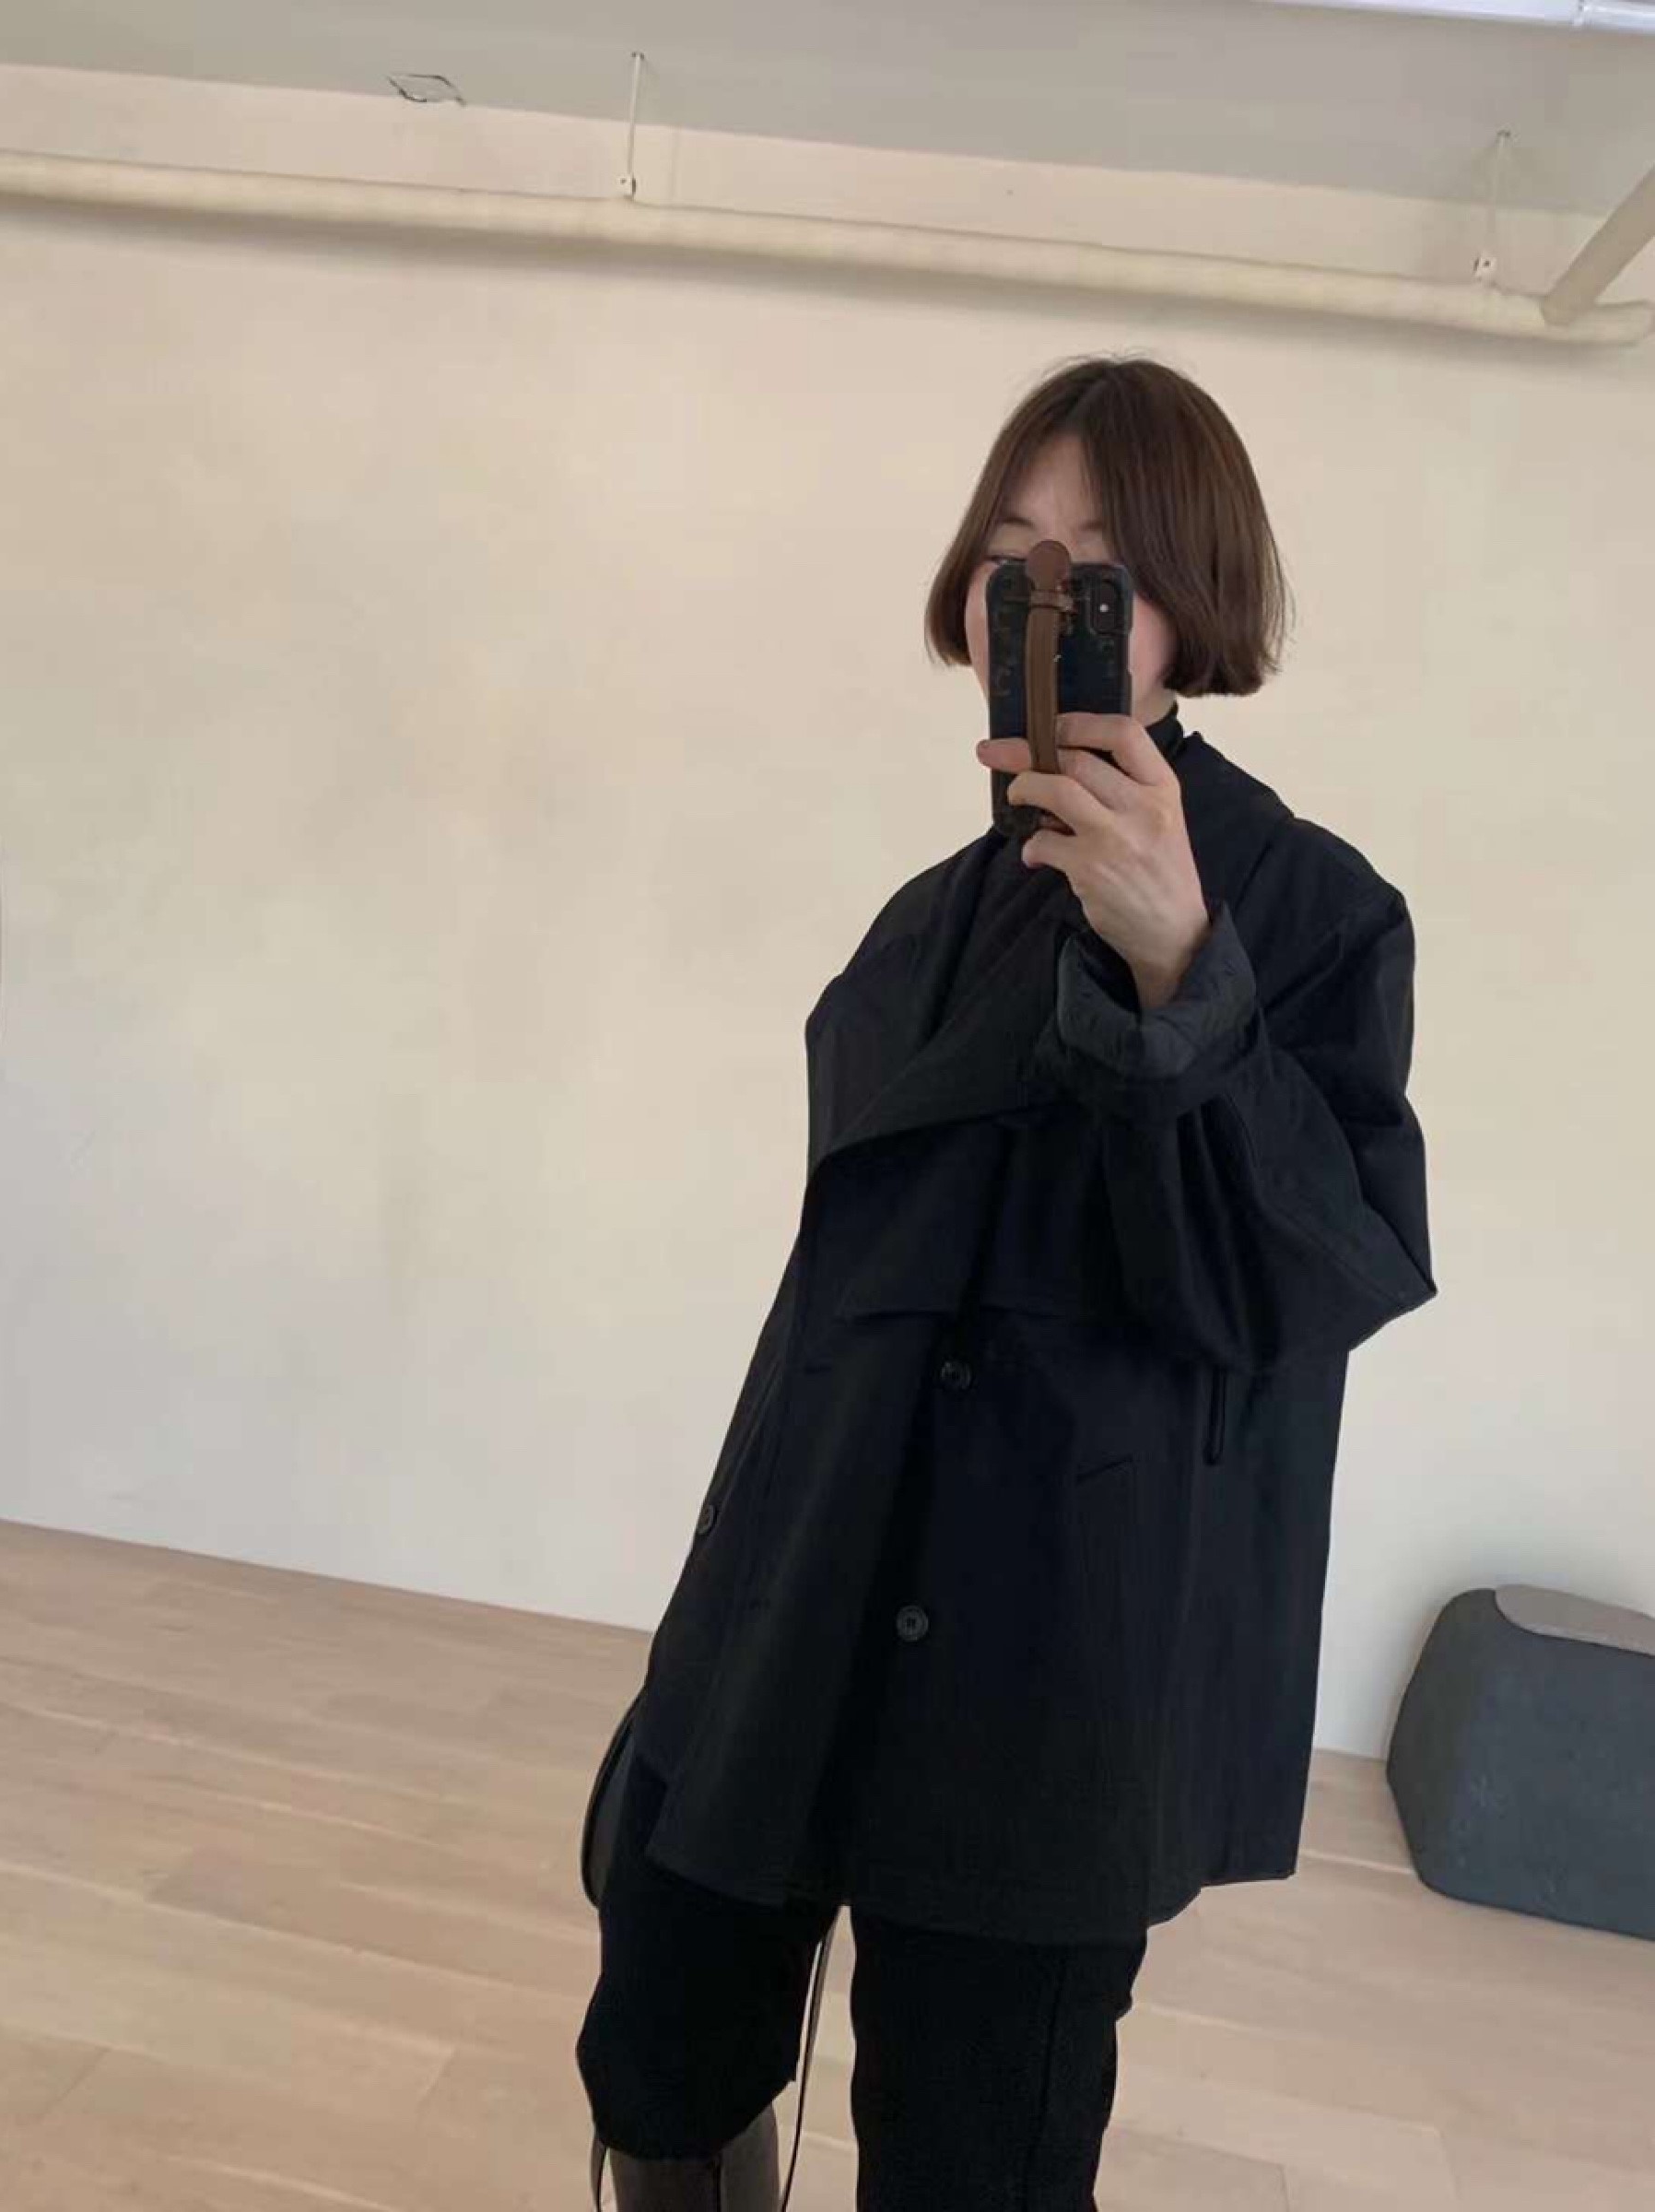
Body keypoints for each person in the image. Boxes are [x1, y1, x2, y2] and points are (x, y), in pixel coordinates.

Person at [575, 354, 1438, 2210]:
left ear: (1183, 610)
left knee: (976, 2149)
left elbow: (1320, 1279)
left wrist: (1186, 983)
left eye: (1094, 570)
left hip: (1053, 1645)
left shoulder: (1307, 906)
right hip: (806, 1569)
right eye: (1008, 556)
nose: (1039, 600)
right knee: (660, 2026)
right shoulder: (928, 916)